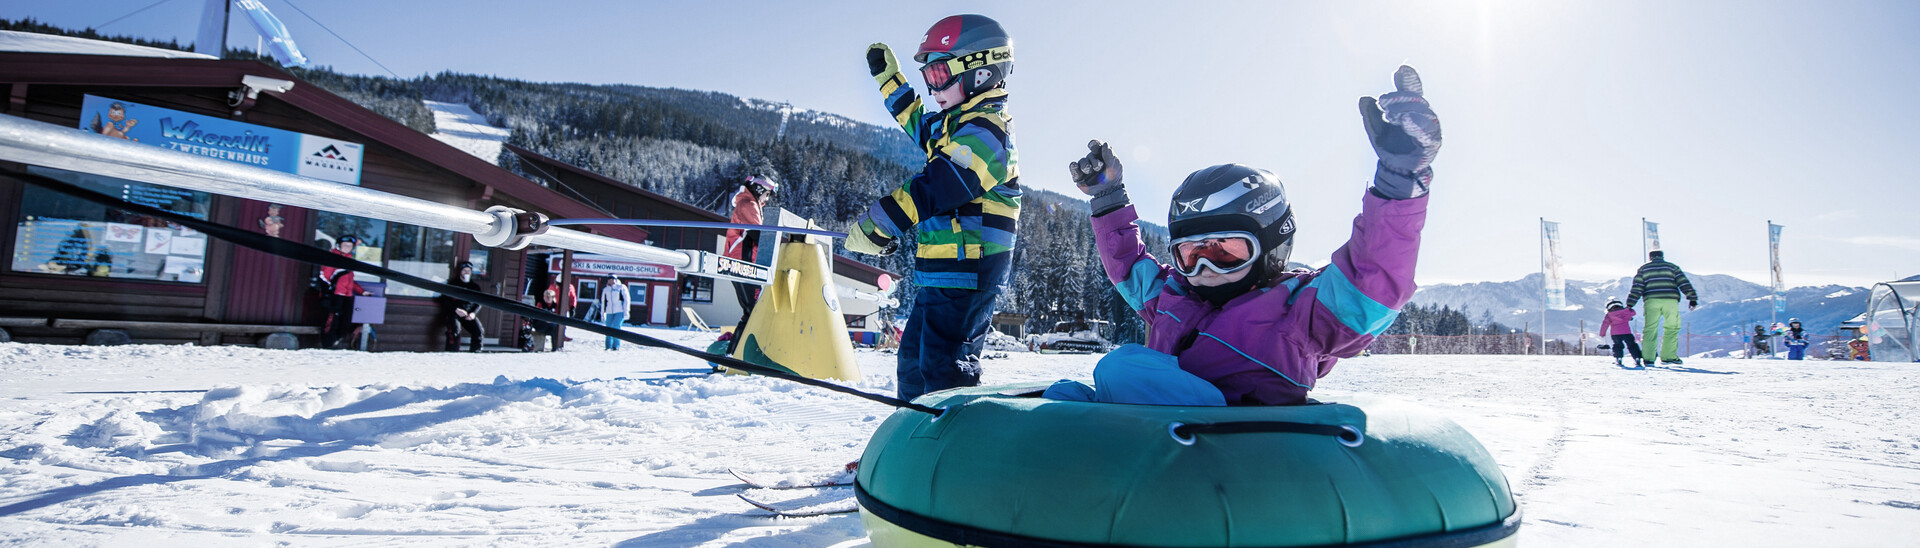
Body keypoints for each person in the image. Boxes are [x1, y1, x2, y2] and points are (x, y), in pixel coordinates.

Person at [1052, 64, 1442, 406]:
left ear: (1271, 249)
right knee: (1066, 395)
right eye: (1190, 255)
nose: (1204, 267)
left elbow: (1371, 282)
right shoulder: (1172, 297)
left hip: (1234, 448)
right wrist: (1107, 196)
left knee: (1123, 368)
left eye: (1225, 251)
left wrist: (1399, 180)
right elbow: (1128, 266)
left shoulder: (1299, 315)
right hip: (1155, 439)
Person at [844, 14, 1021, 400]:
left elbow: (940, 186)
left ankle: (954, 454)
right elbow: (916, 121)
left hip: (969, 272)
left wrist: (880, 224)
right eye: (928, 78)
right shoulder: (953, 127)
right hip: (940, 272)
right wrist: (890, 80)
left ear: (981, 72)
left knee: (945, 369)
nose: (932, 87)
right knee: (912, 365)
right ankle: (910, 448)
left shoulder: (989, 132)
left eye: (939, 75)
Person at [1624, 250, 1698, 366]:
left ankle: (1648, 358)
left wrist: (1630, 304)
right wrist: (1692, 298)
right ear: (1662, 257)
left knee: (1650, 329)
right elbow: (1684, 283)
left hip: (1651, 301)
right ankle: (1669, 357)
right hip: (1670, 301)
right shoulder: (1672, 267)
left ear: (1650, 257)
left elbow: (1637, 288)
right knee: (1672, 327)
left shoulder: (1644, 269)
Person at [318, 236, 371, 349]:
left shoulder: (349, 261)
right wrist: (326, 294)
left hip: (347, 296)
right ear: (339, 246)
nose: (347, 248)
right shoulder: (332, 258)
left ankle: (336, 340)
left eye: (350, 246)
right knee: (332, 321)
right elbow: (324, 277)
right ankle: (327, 344)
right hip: (335, 295)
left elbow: (350, 281)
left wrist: (362, 292)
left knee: (346, 321)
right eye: (345, 245)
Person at [440, 261, 485, 352]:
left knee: (478, 331)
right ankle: (452, 352)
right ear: (460, 271)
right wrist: (456, 310)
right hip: (454, 313)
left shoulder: (474, 286)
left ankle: (475, 353)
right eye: (464, 270)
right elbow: (444, 300)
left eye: (469, 271)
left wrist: (473, 313)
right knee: (455, 331)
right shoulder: (453, 284)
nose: (466, 273)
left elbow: (479, 302)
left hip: (468, 314)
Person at [1599, 299, 1644, 367]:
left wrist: (1602, 333)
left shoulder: (1609, 315)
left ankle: (1618, 358)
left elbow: (1605, 324)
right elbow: (1633, 313)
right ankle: (1637, 358)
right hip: (1627, 332)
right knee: (1632, 345)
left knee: (1618, 346)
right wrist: (1628, 309)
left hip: (1615, 334)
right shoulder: (1625, 311)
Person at [600, 275, 631, 350]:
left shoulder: (621, 287)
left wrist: (626, 311)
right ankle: (608, 346)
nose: (610, 281)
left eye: (612, 279)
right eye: (609, 279)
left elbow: (627, 299)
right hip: (609, 311)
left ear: (615, 280)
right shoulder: (606, 289)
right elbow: (603, 302)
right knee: (608, 329)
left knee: (616, 327)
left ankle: (616, 346)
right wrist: (602, 314)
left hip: (619, 311)